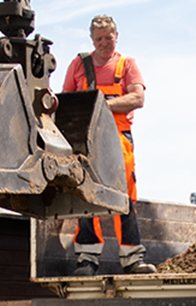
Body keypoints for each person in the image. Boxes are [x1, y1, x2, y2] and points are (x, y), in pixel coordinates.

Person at [64, 14, 156, 276]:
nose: (104, 43)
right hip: (85, 138)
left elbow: (137, 98)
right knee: (84, 192)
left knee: (125, 195)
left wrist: (102, 106)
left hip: (119, 137)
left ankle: (132, 258)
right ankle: (87, 258)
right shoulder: (79, 64)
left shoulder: (127, 64)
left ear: (116, 36)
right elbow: (67, 98)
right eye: (99, 39)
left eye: (109, 38)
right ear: (92, 39)